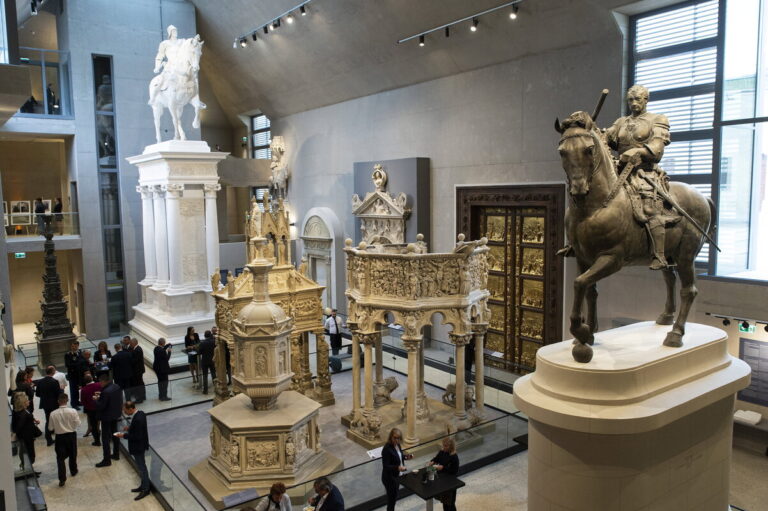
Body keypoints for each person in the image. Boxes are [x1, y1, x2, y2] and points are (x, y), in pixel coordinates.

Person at [605, 84, 674, 270]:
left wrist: (637, 151)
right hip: (619, 171)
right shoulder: (621, 122)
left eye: (638, 99)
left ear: (646, 100)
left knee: (650, 208)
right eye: (630, 100)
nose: (634, 103)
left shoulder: (658, 119)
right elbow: (606, 138)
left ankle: (659, 255)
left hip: (644, 172)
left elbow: (657, 149)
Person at [115, 401, 150, 500]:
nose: (124, 412)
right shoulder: (141, 413)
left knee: (142, 468)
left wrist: (123, 435)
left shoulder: (138, 419)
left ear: (130, 409)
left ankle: (146, 489)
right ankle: (143, 485)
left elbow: (137, 436)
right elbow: (138, 429)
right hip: (141, 445)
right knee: (142, 467)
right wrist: (130, 428)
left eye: (125, 410)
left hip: (138, 447)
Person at [48, 393, 80, 486]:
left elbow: (50, 428)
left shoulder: (53, 414)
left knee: (60, 458)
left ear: (58, 401)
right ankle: (73, 471)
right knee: (73, 454)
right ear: (67, 400)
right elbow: (78, 424)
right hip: (71, 435)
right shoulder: (73, 411)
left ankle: (62, 479)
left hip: (60, 437)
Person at [94, 372, 123, 466]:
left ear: (103, 381)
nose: (100, 384)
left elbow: (101, 406)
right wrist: (101, 395)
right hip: (115, 414)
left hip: (106, 417)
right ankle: (116, 454)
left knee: (105, 438)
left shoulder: (106, 392)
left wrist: (96, 400)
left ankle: (106, 460)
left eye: (100, 382)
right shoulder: (116, 386)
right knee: (115, 434)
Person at [381, 427, 412, 511]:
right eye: (395, 438)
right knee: (391, 501)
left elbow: (399, 456)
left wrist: (406, 457)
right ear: (391, 437)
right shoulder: (386, 449)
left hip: (397, 476)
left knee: (394, 498)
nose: (396, 440)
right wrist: (397, 468)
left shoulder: (398, 445)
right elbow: (386, 466)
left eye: (398, 438)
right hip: (390, 478)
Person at [11, 393, 40, 473]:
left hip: (28, 436)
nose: (29, 401)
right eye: (27, 400)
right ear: (23, 403)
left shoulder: (24, 410)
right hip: (26, 437)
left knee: (29, 453)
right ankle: (29, 470)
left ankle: (30, 470)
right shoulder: (22, 413)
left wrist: (33, 420)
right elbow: (19, 426)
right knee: (29, 454)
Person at [430, 437, 460, 511]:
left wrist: (443, 468)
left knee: (450, 503)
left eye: (446, 446)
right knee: (445, 502)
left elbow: (454, 470)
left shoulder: (454, 457)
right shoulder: (442, 452)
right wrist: (432, 461)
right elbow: (436, 458)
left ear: (451, 446)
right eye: (443, 445)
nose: (444, 447)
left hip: (451, 482)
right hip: (443, 480)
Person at [35, 365, 62, 446]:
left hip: (45, 404)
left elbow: (37, 394)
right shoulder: (55, 381)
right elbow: (58, 394)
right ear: (53, 372)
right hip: (54, 404)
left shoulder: (40, 381)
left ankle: (49, 439)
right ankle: (59, 438)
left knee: (48, 420)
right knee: (56, 420)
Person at [80, 373, 102, 444]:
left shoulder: (83, 390)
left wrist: (88, 406)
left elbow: (83, 402)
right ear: (92, 378)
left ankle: (97, 441)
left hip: (91, 409)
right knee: (100, 422)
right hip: (100, 407)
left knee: (94, 425)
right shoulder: (99, 384)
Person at [64, 340, 84, 409]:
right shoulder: (68, 355)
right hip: (72, 375)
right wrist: (77, 364)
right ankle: (73, 404)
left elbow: (82, 361)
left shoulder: (80, 352)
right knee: (73, 390)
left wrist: (77, 363)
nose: (74, 347)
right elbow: (68, 365)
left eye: (75, 346)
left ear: (78, 346)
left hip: (79, 374)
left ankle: (77, 401)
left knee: (78, 389)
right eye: (72, 346)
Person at [198, 330, 216, 394]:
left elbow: (199, 352)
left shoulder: (202, 343)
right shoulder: (214, 341)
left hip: (205, 361)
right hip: (212, 360)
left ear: (204, 336)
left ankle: (205, 390)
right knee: (213, 374)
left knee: (205, 375)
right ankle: (216, 388)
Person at [129, 338, 146, 403]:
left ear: (134, 343)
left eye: (131, 343)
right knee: (140, 383)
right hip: (138, 370)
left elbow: (134, 361)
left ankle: (140, 398)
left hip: (138, 370)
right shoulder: (136, 349)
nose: (130, 345)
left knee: (138, 384)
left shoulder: (137, 350)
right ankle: (142, 396)